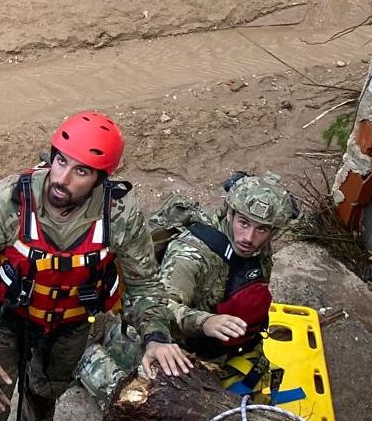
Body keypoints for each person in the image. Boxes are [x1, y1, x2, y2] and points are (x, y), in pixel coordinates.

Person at [0, 110, 191, 421]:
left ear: (99, 179)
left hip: (70, 323)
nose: (61, 179)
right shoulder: (6, 203)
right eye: (60, 161)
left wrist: (156, 337)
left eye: (80, 171)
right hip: (5, 316)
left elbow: (143, 282)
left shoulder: (119, 217)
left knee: (46, 392)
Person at [78, 173, 300, 404]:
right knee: (152, 402)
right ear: (231, 213)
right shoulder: (192, 254)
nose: (249, 237)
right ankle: (86, 357)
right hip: (168, 339)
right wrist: (205, 322)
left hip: (221, 347)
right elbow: (160, 306)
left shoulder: (256, 247)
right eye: (243, 223)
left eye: (261, 229)